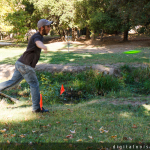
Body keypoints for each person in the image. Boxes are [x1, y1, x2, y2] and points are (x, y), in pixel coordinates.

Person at [0, 19, 53, 113]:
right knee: (34, 85)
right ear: (42, 28)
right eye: (48, 26)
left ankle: (36, 108)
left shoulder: (39, 36)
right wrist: (43, 46)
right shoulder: (37, 36)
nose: (49, 28)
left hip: (20, 63)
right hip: (25, 66)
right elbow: (38, 43)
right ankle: (36, 108)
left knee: (12, 82)